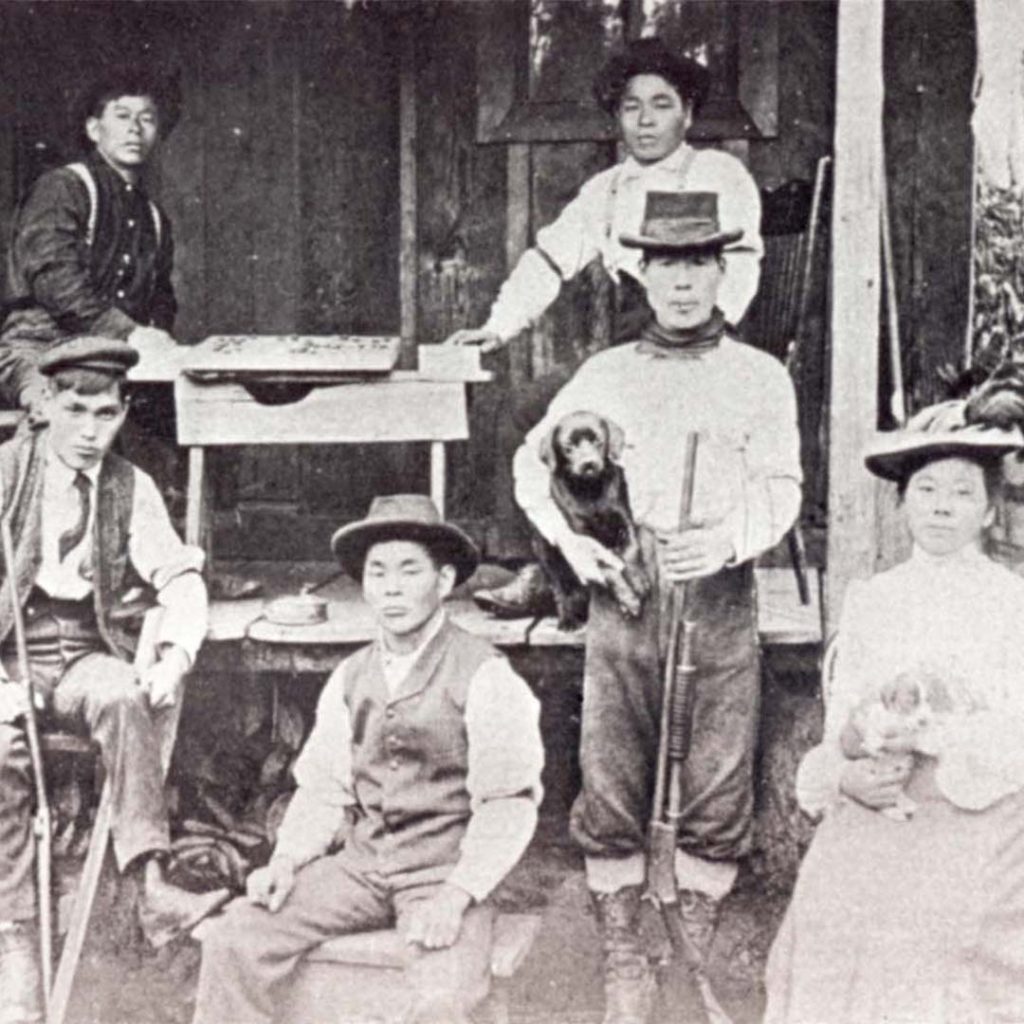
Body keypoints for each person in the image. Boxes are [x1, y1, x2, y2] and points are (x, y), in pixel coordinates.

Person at [513, 191, 801, 1024]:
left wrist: (727, 543)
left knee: (714, 775)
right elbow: (532, 469)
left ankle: (690, 951)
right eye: (666, 265)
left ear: (723, 271)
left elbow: (783, 488)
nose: (682, 283)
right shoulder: (606, 376)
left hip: (717, 586)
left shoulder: (759, 377)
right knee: (611, 774)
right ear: (641, 274)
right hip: (629, 587)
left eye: (698, 263)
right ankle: (623, 960)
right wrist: (579, 549)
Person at [192, 494, 544, 1024]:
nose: (392, 588)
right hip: (361, 868)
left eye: (409, 571)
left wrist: (456, 895)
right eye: (377, 573)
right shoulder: (351, 675)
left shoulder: (485, 674)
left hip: (444, 873)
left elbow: (508, 804)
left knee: (441, 1000)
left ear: (445, 581)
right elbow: (322, 790)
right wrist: (285, 862)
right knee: (237, 937)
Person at [457, 36, 764, 615]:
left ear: (689, 113)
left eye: (662, 103)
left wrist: (701, 343)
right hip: (629, 357)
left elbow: (741, 268)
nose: (646, 121)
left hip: (706, 349)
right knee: (527, 409)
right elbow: (549, 259)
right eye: (631, 107)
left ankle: (634, 558)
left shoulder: (720, 173)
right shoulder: (607, 190)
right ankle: (544, 565)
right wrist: (497, 327)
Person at [764, 399, 1024, 1024]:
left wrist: (946, 743)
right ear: (903, 502)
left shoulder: (1010, 602)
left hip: (979, 809)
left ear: (989, 509)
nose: (940, 506)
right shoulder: (875, 599)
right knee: (830, 923)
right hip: (879, 803)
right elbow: (846, 720)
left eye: (962, 493)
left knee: (935, 943)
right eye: (926, 489)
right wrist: (848, 772)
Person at [0, 337, 227, 1024]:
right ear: (46, 411)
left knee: (125, 697)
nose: (90, 431)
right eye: (75, 412)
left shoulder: (132, 487)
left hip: (80, 650)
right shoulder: (5, 473)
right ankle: (16, 937)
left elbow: (180, 575)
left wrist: (175, 656)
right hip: (7, 651)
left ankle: (149, 883)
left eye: (105, 414)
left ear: (124, 413)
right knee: (1, 756)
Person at [0, 63, 182, 422]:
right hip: (43, 349)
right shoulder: (65, 187)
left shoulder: (155, 219)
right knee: (60, 421)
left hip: (115, 360)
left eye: (147, 119)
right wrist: (130, 333)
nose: (135, 129)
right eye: (122, 115)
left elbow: (162, 300)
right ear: (94, 129)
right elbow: (53, 277)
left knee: (191, 417)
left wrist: (155, 340)